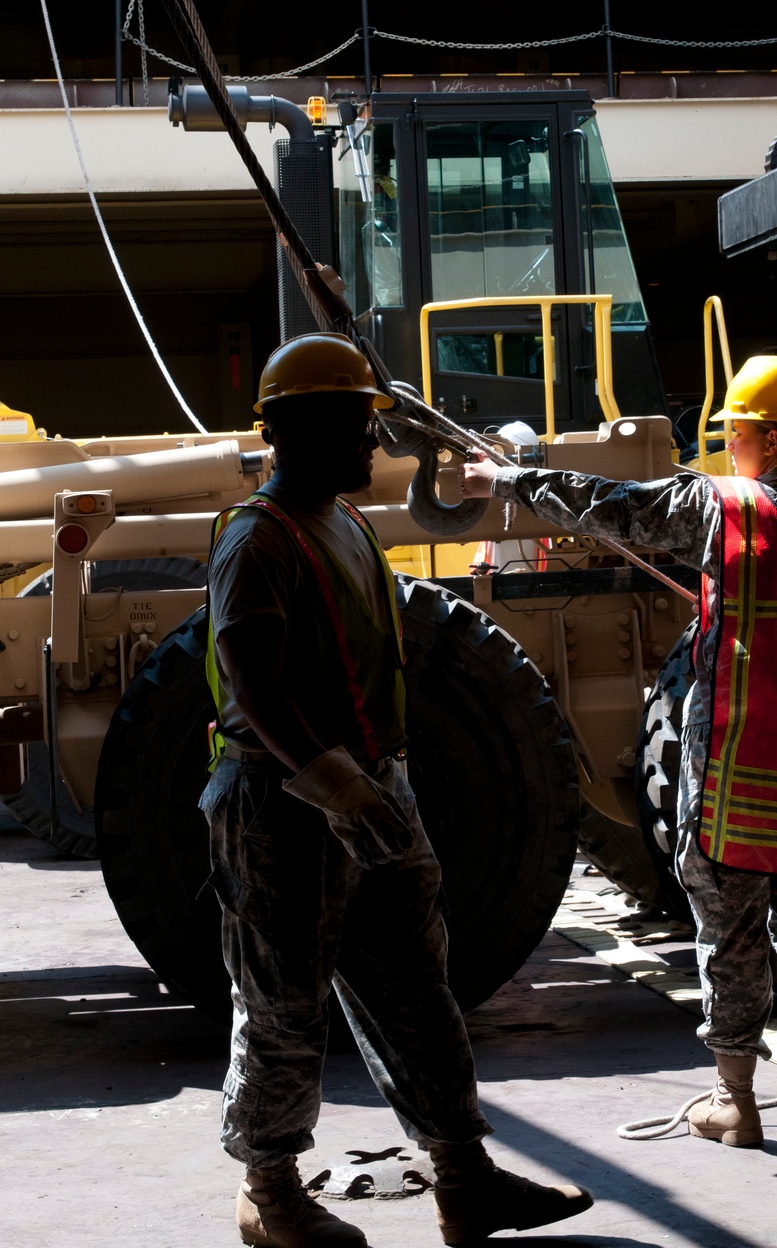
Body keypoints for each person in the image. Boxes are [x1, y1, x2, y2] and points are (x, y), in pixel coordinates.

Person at [200, 332, 593, 1248]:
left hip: (373, 793)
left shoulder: (348, 524)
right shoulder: (256, 541)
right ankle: (271, 1194)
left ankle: (465, 1178)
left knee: (417, 993)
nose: (374, 445)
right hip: (285, 808)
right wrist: (341, 791)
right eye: (356, 424)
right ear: (296, 430)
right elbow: (253, 683)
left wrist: (380, 793)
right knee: (284, 1004)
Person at [461, 355, 777, 1152]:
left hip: (736, 782)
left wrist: (507, 481)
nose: (729, 451)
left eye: (735, 435)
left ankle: (735, 1101)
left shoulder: (726, 513)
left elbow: (614, 507)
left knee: (730, 934)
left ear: (769, 442)